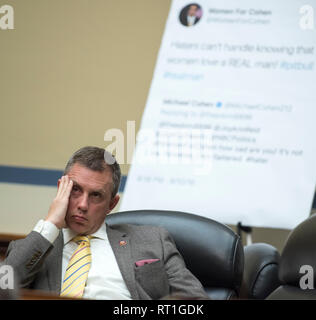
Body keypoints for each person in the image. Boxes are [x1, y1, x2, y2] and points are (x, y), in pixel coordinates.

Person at [4, 146, 208, 300]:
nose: (82, 204)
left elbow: (194, 300)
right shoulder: (36, 248)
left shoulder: (153, 240)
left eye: (95, 195)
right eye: (75, 190)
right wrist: (51, 224)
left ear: (111, 204)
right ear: (61, 189)